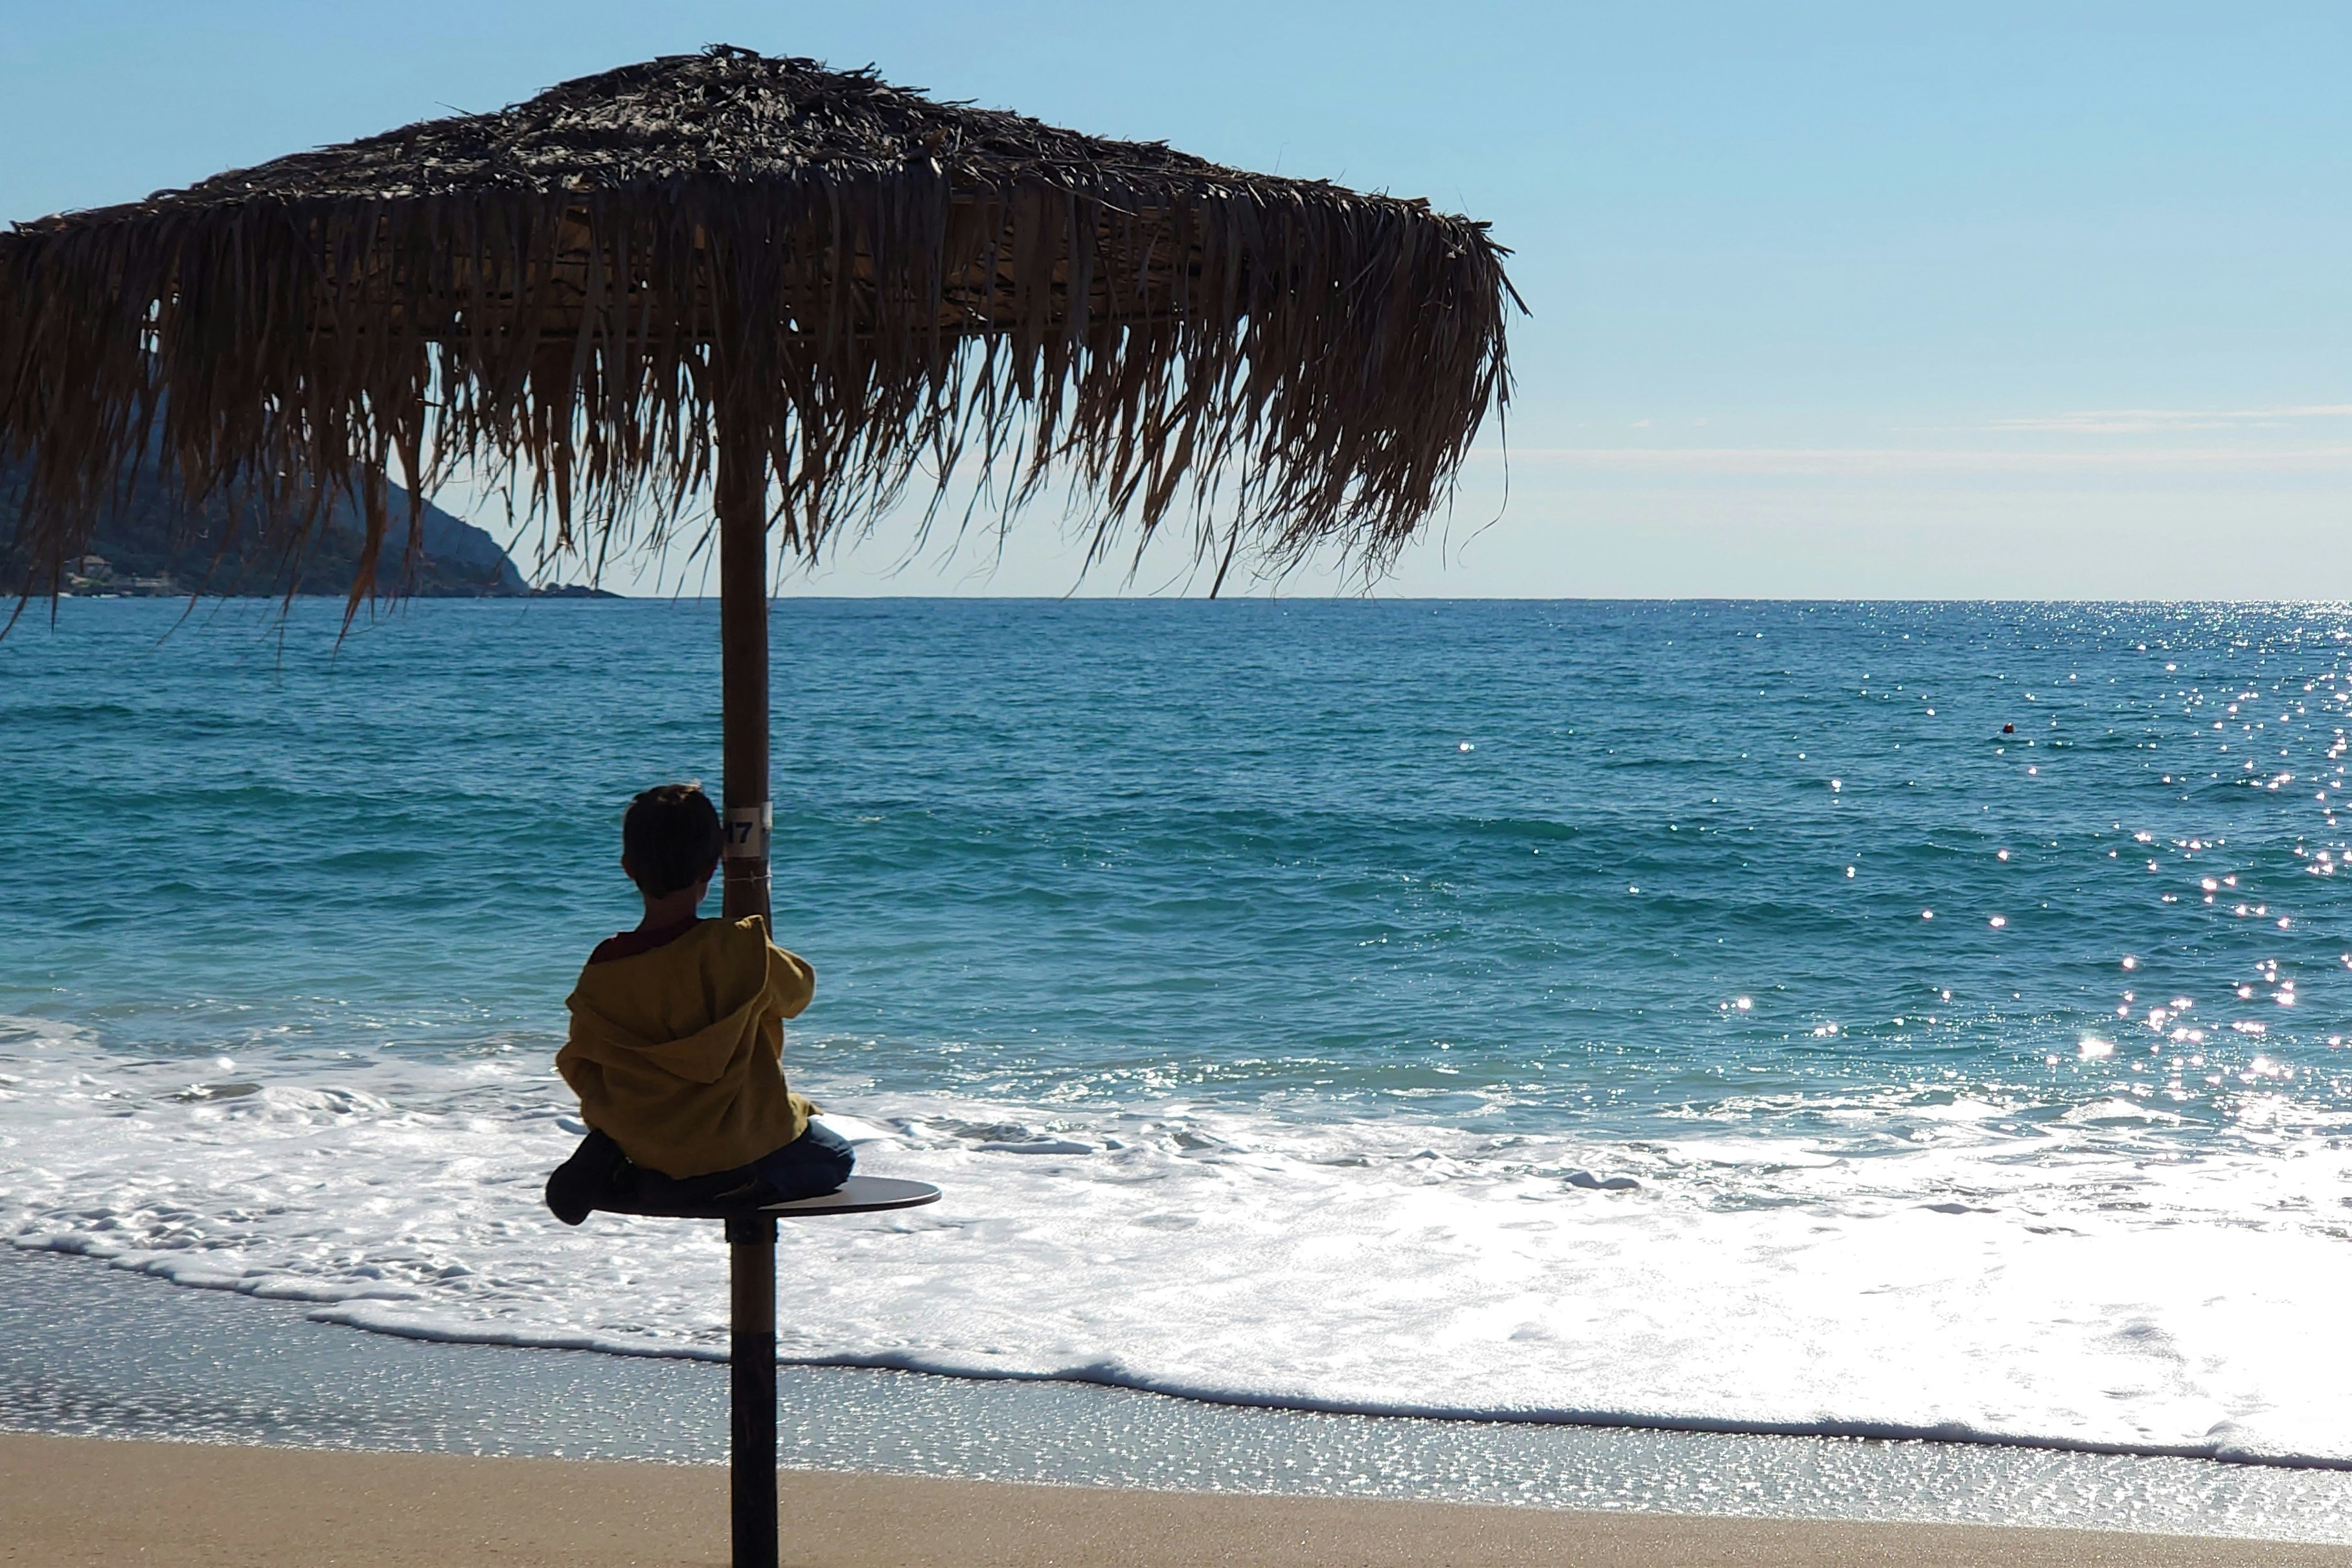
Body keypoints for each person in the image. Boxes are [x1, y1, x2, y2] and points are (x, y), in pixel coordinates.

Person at [543, 782, 852, 1225]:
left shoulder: (605, 963)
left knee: (656, 1152)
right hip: (733, 1143)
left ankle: (628, 1162)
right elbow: (798, 993)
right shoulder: (735, 946)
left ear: (629, 867)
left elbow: (580, 1060)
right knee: (834, 1156)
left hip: (646, 1140)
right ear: (713, 866)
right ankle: (717, 1182)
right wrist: (753, 937)